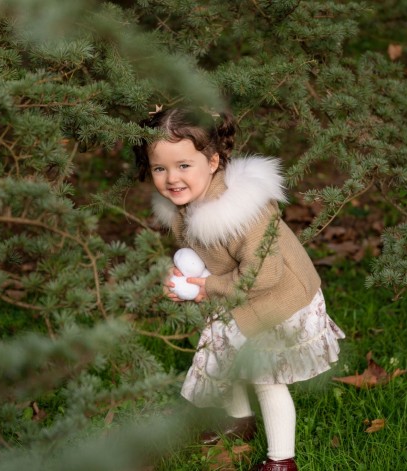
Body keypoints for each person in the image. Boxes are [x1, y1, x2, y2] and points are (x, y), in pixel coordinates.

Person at [133, 106, 345, 471]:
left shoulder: (243, 212)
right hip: (236, 289)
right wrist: (184, 274)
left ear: (213, 161)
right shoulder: (186, 205)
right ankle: (239, 423)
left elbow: (264, 275)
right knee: (224, 351)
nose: (171, 178)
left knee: (265, 375)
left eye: (184, 166)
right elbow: (200, 250)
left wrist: (206, 288)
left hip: (280, 296)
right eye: (159, 168)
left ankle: (282, 460)